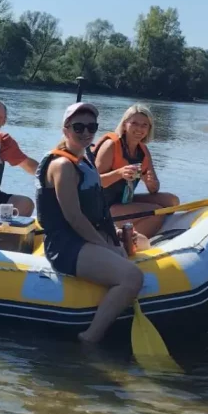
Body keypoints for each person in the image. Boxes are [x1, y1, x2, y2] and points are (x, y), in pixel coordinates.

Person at [35, 102, 147, 344]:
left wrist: (112, 234)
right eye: (78, 127)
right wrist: (105, 246)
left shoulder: (85, 160)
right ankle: (90, 338)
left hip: (86, 235)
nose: (86, 132)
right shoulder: (62, 166)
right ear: (65, 130)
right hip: (65, 244)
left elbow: (95, 210)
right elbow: (74, 217)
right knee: (133, 277)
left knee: (143, 243)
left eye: (91, 127)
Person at [91, 103, 179, 237]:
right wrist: (119, 173)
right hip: (102, 207)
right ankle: (128, 243)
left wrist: (150, 183)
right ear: (125, 124)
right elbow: (94, 183)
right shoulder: (111, 145)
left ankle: (132, 229)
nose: (139, 128)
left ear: (149, 129)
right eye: (134, 123)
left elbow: (154, 189)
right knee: (156, 212)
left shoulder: (143, 151)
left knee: (172, 201)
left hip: (123, 201)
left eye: (144, 125)